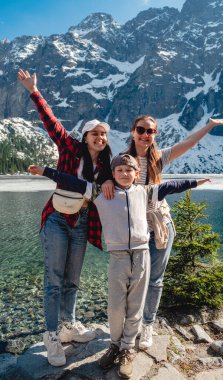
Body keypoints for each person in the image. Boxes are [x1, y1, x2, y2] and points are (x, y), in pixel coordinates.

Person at [28, 154, 210, 379]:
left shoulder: (145, 192)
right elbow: (70, 181)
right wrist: (46, 171)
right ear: (113, 174)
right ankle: (114, 345)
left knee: (135, 306)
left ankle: (127, 349)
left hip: (142, 254)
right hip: (118, 257)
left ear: (136, 173)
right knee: (115, 307)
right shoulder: (100, 193)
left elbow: (172, 186)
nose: (125, 174)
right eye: (120, 170)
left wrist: (195, 182)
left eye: (129, 170)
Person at [18, 69, 114, 367]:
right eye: (95, 133)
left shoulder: (108, 165)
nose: (100, 137)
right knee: (53, 281)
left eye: (104, 134)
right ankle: (51, 334)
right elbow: (52, 125)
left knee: (72, 280)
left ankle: (69, 325)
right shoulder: (70, 148)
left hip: (82, 222)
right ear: (85, 136)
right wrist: (35, 92)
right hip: (58, 219)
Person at [121, 114, 223, 349]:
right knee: (134, 278)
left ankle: (147, 325)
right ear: (133, 131)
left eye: (151, 131)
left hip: (160, 226)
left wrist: (208, 126)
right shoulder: (122, 160)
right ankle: (132, 323)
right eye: (141, 129)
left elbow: (188, 144)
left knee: (155, 280)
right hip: (134, 229)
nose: (146, 135)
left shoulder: (158, 158)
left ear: (155, 135)